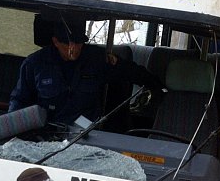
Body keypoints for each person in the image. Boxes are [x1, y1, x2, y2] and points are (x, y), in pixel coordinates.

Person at [8, 17, 162, 126]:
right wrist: (11, 129)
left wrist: (158, 85)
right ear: (55, 41)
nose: (73, 48)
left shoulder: (96, 59)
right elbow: (19, 100)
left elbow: (129, 72)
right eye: (67, 43)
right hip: (46, 135)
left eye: (78, 42)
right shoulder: (35, 64)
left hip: (85, 136)